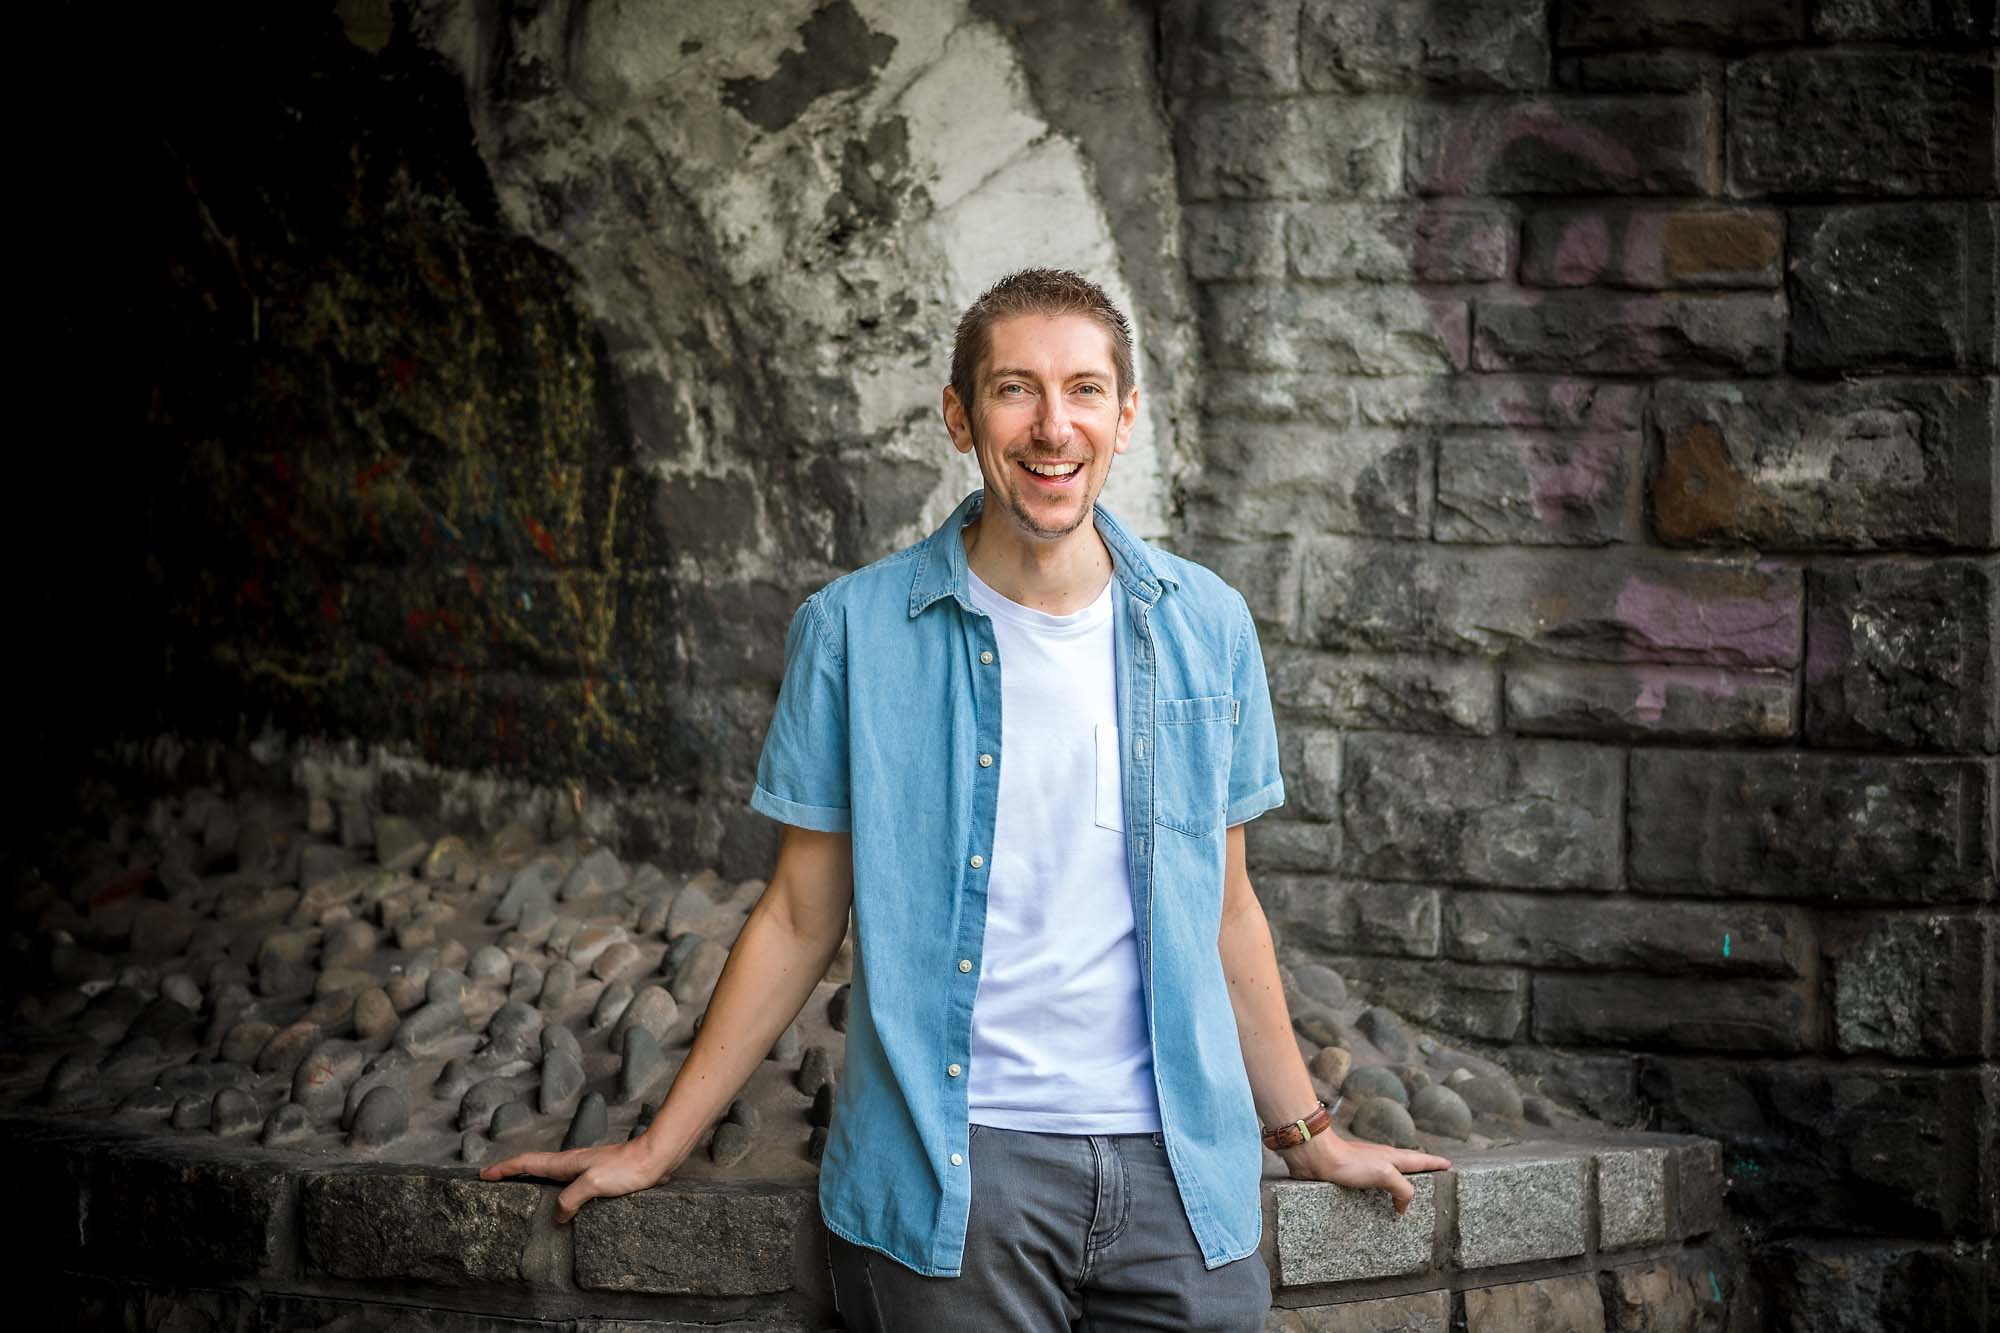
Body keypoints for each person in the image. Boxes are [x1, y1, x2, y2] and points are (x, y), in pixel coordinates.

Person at [483, 268, 1449, 1330]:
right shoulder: (852, 631)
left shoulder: (1204, 625)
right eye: (1012, 390)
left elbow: (1224, 912)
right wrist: (659, 1142)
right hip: (957, 1177)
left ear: (1124, 418)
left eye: (1084, 390)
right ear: (957, 416)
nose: (1051, 426)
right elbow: (801, 916)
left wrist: (1310, 1134)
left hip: (1181, 1177)